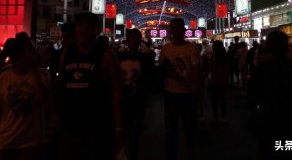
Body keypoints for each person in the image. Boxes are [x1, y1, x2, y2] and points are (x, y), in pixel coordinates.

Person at [0, 32, 51, 160]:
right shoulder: (3, 78)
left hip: (31, 142)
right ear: (17, 56)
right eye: (27, 52)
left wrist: (34, 70)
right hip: (5, 140)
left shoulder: (42, 75)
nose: (31, 55)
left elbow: (42, 99)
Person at [55, 12, 123, 160]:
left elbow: (117, 90)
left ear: (96, 30)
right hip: (70, 123)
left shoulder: (106, 56)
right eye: (79, 26)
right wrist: (56, 115)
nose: (82, 30)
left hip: (97, 126)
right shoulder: (67, 55)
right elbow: (60, 86)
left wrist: (118, 125)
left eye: (88, 26)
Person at [247, 30, 292, 160]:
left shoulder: (261, 70)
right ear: (287, 46)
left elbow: (251, 96)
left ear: (268, 46)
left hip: (267, 123)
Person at [159, 17, 199, 160]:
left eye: (178, 27)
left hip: (187, 94)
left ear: (184, 30)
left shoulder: (191, 48)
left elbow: (195, 70)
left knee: (190, 128)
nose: (175, 30)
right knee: (171, 129)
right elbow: (161, 69)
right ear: (170, 30)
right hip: (171, 93)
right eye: (173, 28)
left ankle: (191, 152)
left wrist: (194, 89)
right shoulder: (166, 48)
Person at [117, 28, 154, 160]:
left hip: (138, 101)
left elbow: (151, 78)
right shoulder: (118, 57)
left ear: (140, 41)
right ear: (127, 40)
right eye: (130, 39)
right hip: (121, 101)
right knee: (120, 131)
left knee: (135, 134)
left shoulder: (145, 59)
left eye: (136, 39)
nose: (133, 42)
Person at [209, 40, 230, 123]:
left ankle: (215, 118)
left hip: (215, 79)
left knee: (214, 100)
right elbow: (227, 68)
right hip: (223, 80)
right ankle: (223, 117)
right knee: (223, 99)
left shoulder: (213, 56)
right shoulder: (225, 56)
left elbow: (211, 67)